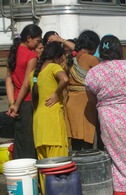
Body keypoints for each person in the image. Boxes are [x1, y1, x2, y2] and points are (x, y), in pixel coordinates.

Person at [85, 35, 126, 194]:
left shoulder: (93, 73)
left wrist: (106, 106)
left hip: (109, 119)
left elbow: (91, 99)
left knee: (117, 159)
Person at [30, 42, 69, 194]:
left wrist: (14, 105)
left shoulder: (34, 73)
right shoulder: (54, 67)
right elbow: (64, 80)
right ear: (58, 57)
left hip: (39, 127)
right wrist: (55, 94)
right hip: (53, 126)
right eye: (62, 59)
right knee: (58, 170)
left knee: (45, 171)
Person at [6, 24, 42, 159]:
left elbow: (9, 80)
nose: (39, 43)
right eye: (38, 40)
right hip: (27, 102)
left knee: (20, 139)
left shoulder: (13, 52)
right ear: (29, 38)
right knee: (29, 140)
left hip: (16, 100)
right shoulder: (32, 56)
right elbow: (26, 84)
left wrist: (12, 104)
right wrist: (17, 105)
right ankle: (30, 173)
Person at [65, 30, 100, 151]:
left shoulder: (69, 58)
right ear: (93, 46)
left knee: (76, 143)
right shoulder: (92, 60)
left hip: (71, 103)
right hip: (86, 102)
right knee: (89, 141)